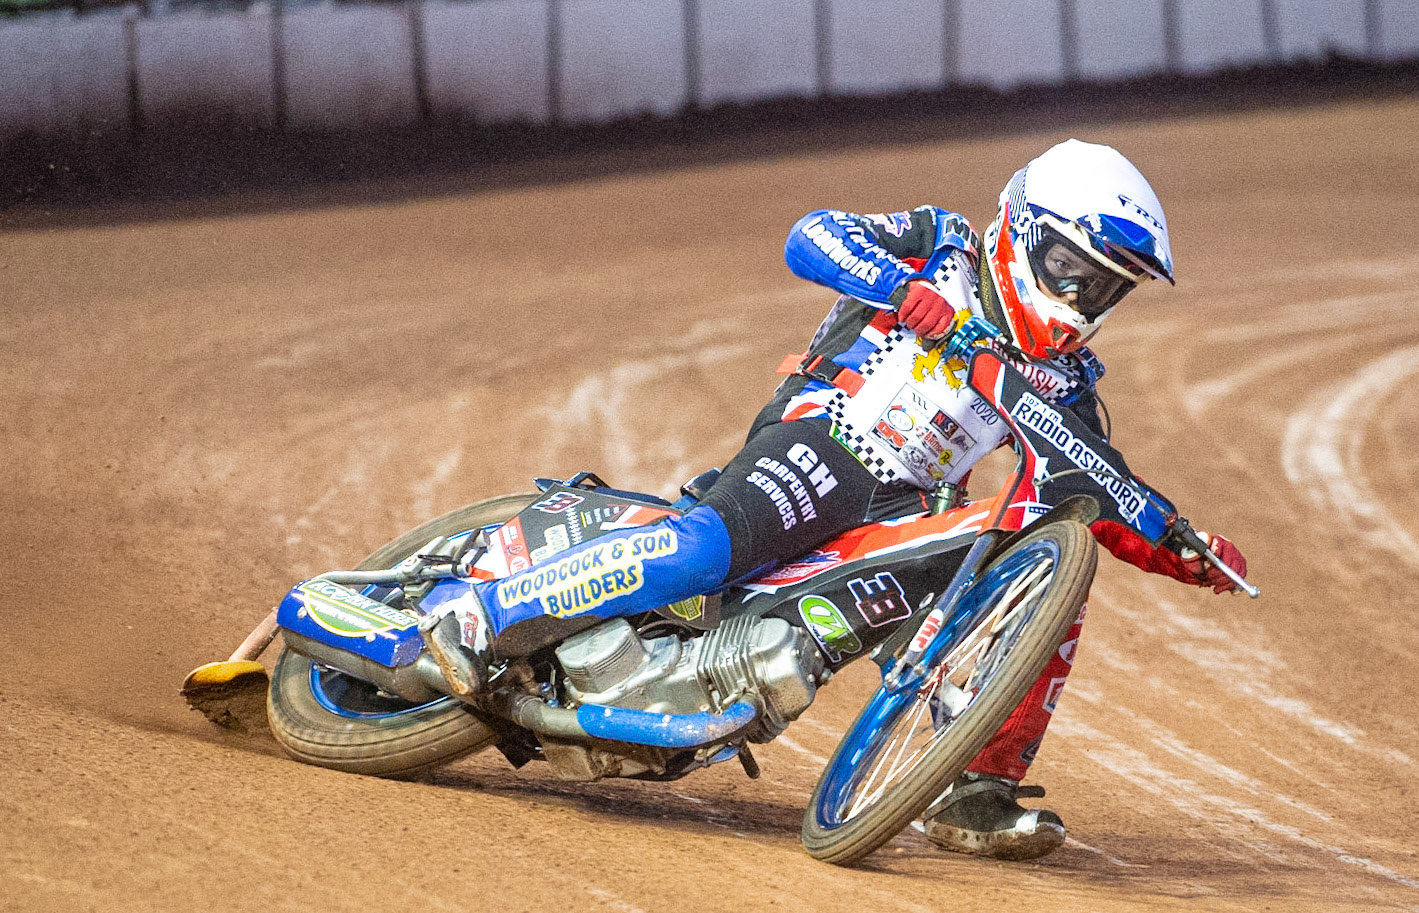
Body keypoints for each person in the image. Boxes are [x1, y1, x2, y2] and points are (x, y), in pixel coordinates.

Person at [422, 139, 1248, 860]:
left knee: (1026, 574)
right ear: (1026, 232)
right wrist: (899, 286)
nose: (1083, 299)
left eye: (1107, 289)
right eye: (1074, 270)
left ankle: (970, 788)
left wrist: (1180, 543)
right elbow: (811, 234)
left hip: (905, 508)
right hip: (825, 442)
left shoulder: (1064, 378)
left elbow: (1091, 482)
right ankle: (483, 615)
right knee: (705, 550)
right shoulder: (944, 245)